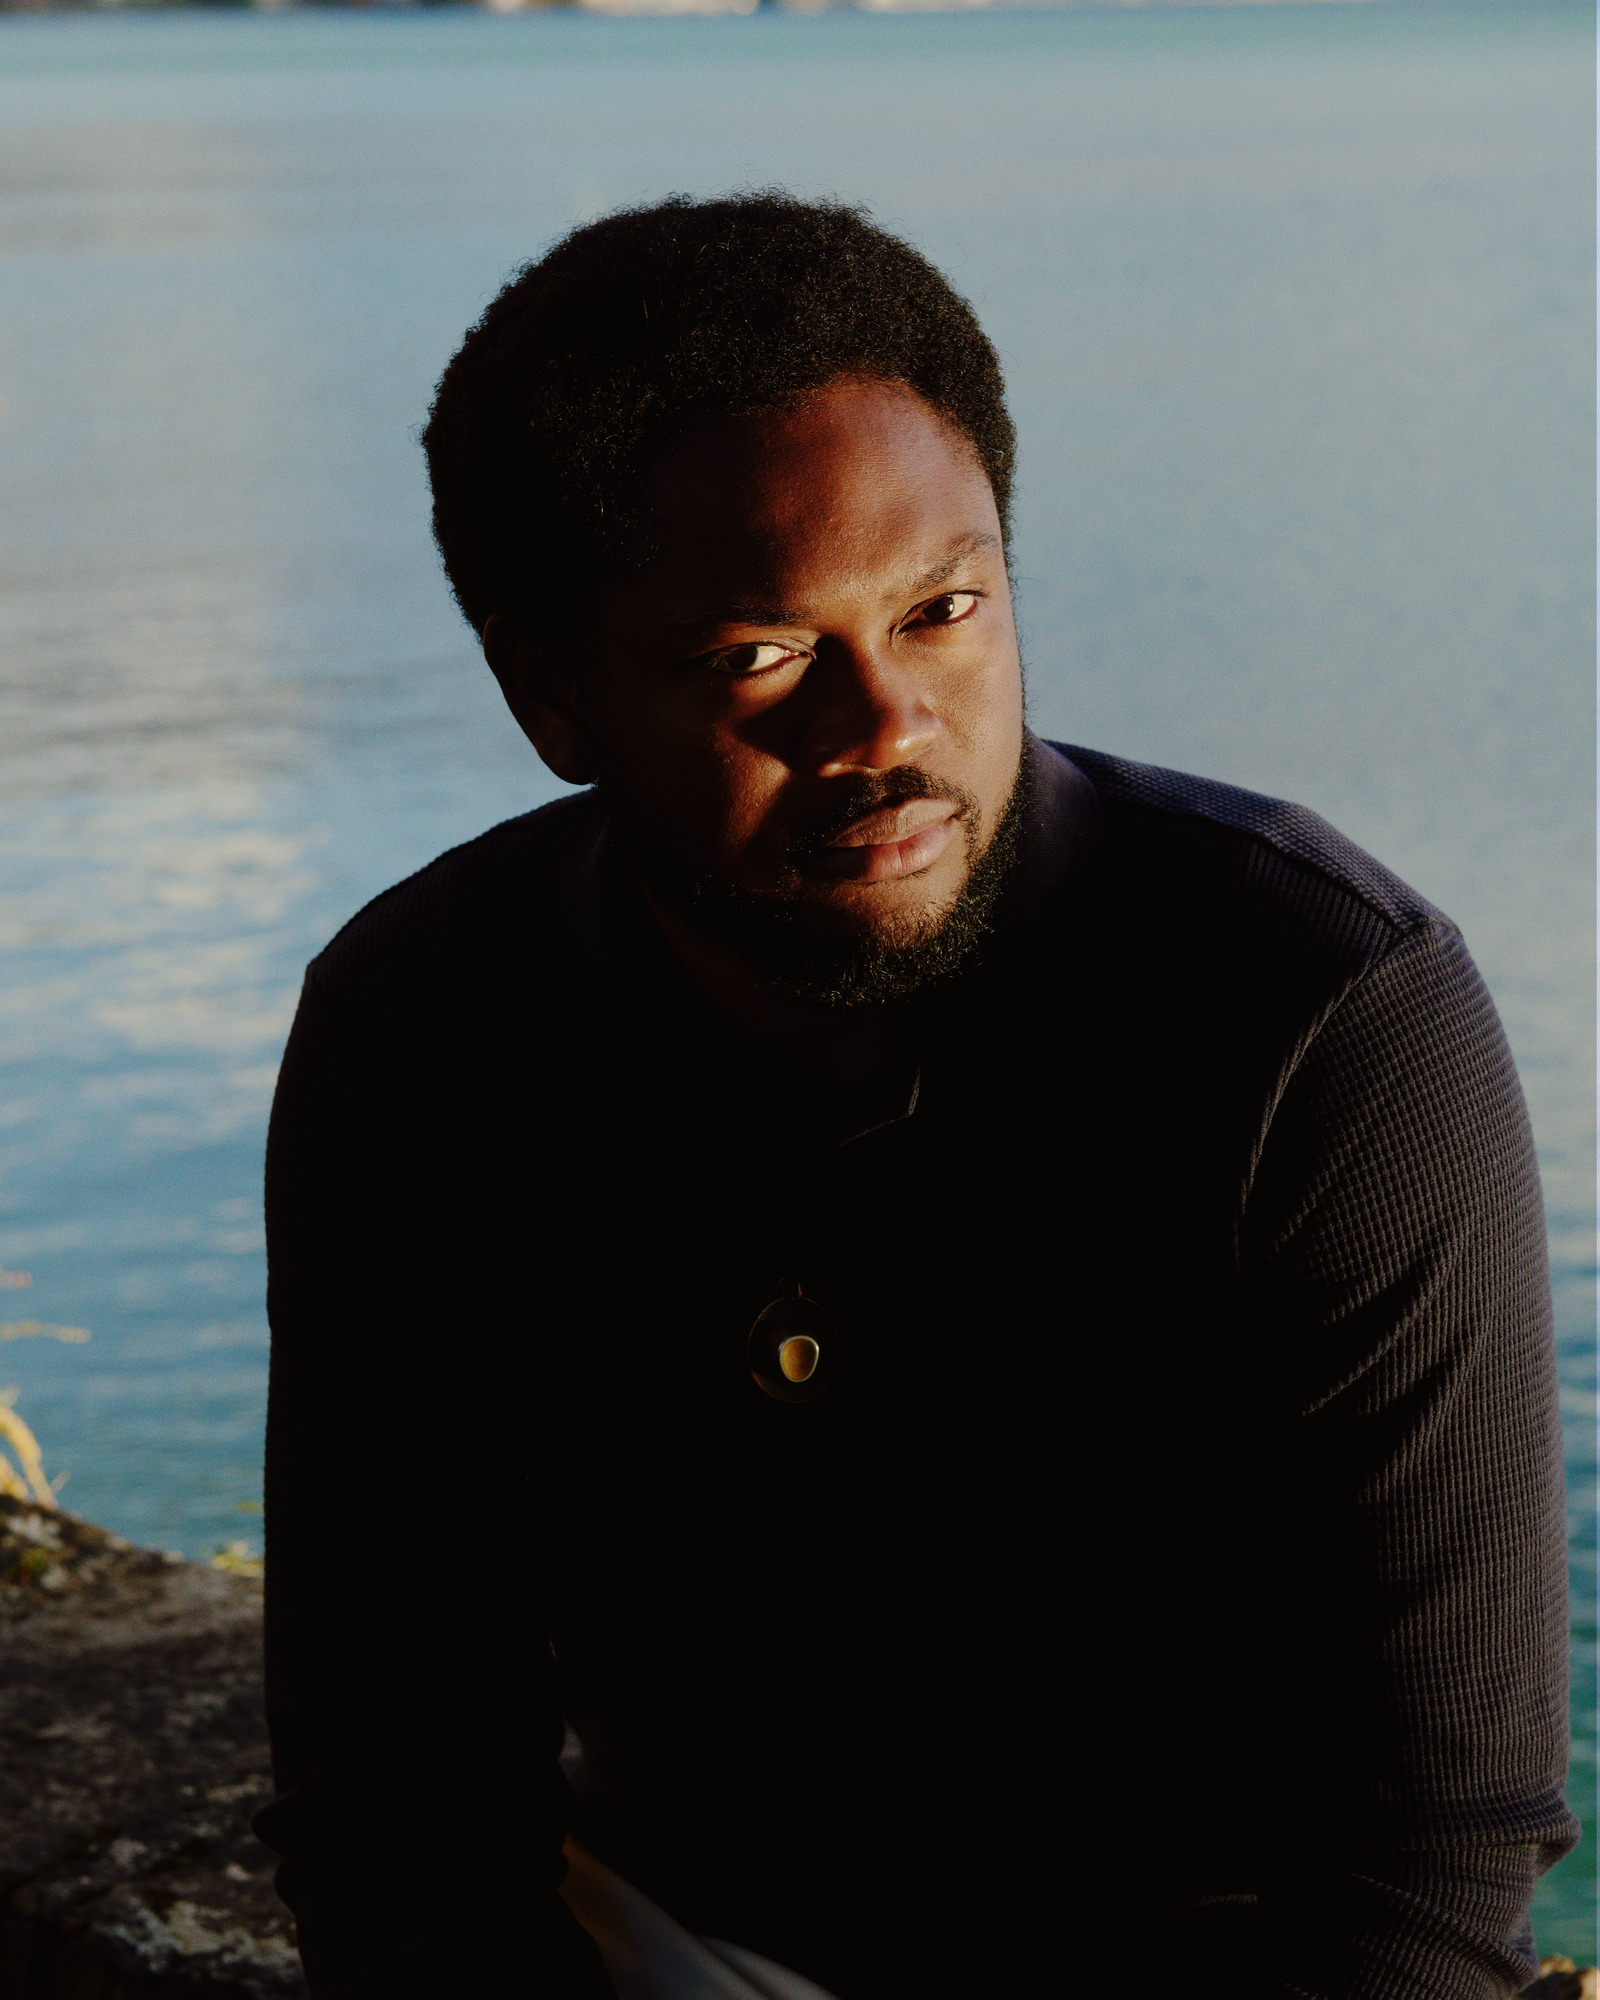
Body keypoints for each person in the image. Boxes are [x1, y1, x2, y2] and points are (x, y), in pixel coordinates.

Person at [253, 193, 1576, 2000]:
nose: (884, 722)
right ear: (549, 691)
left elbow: (1427, 1854)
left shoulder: (1321, 1018)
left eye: (943, 610)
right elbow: (397, 1771)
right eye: (761, 656)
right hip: (683, 1946)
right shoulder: (422, 1030)